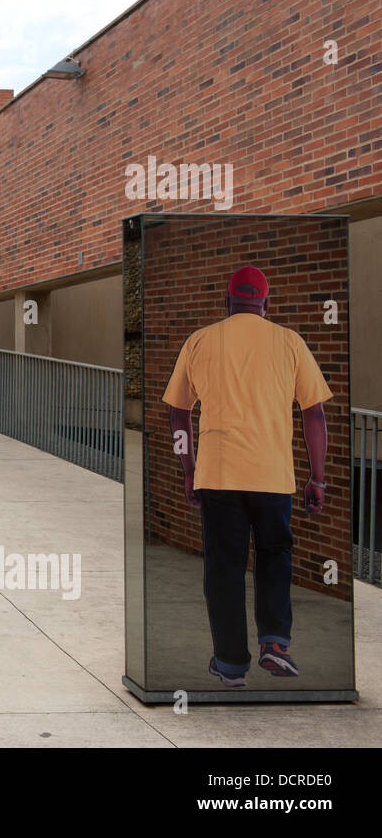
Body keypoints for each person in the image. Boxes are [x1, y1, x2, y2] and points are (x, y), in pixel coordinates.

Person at [163, 265, 331, 687]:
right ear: (265, 304)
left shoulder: (199, 340)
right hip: (274, 477)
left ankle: (231, 664)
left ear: (228, 302)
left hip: (217, 474)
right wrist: (318, 478)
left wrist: (188, 469)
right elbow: (315, 413)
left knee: (224, 567)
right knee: (275, 557)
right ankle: (276, 644)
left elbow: (178, 414)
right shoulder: (290, 342)